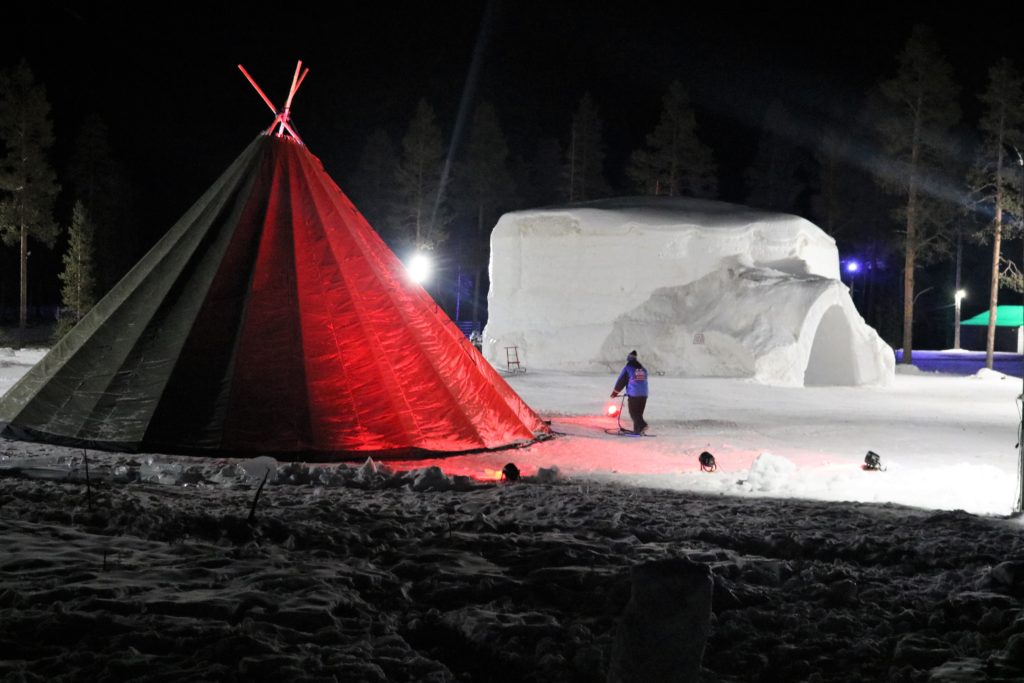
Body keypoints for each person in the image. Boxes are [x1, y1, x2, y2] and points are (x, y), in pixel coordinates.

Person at [611, 350, 649, 434]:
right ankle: (638, 430)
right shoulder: (643, 369)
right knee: (639, 413)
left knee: (633, 413)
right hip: (644, 394)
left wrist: (615, 392)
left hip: (634, 394)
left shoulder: (628, 368)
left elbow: (621, 381)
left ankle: (642, 425)